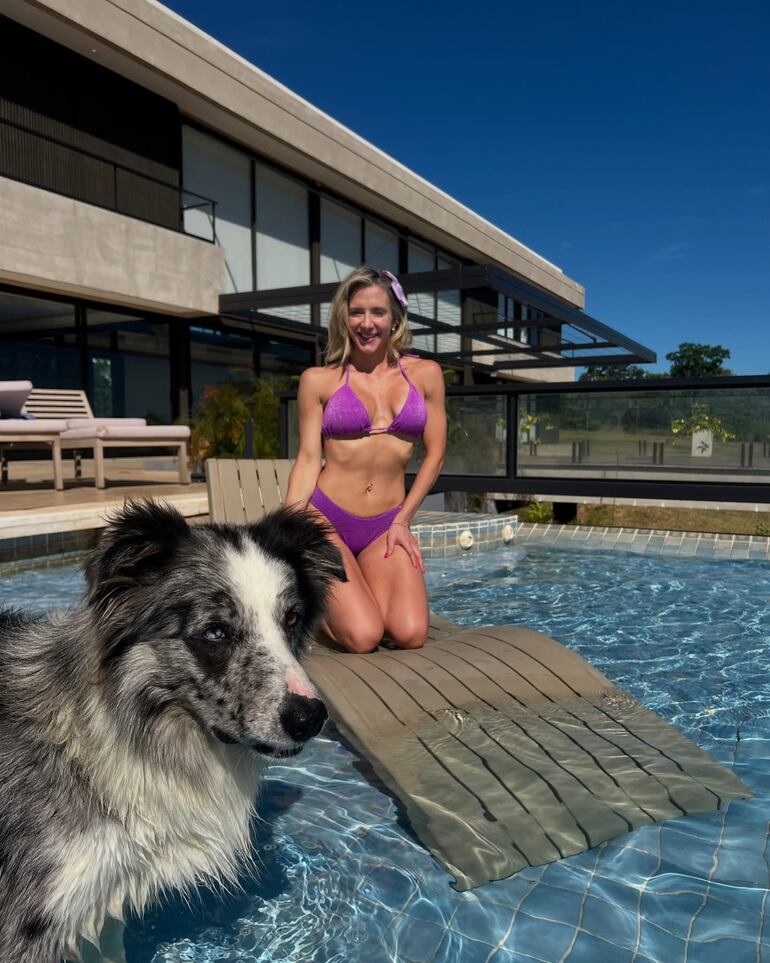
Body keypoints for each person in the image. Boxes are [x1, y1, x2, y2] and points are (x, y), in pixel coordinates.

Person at [284, 266, 446, 653]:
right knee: (363, 636)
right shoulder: (318, 380)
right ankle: (316, 600)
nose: (367, 323)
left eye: (378, 312)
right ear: (343, 317)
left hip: (386, 524)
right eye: (356, 312)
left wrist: (404, 519)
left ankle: (355, 586)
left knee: (410, 633)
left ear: (395, 318)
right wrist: (288, 528)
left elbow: (436, 453)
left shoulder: (426, 375)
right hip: (326, 517)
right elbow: (308, 458)